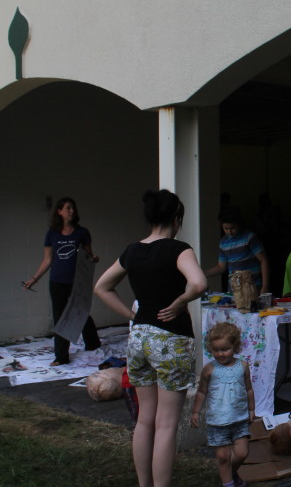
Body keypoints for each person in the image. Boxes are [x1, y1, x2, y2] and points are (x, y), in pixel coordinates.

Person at [94, 189, 207, 487]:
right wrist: (182, 301)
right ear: (176, 219)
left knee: (145, 419)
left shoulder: (132, 251)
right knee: (167, 423)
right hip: (171, 339)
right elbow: (198, 283)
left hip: (139, 337)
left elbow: (101, 287)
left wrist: (131, 316)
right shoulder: (179, 249)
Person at [22, 197, 101, 366]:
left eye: (73, 208)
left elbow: (89, 255)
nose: (71, 211)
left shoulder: (82, 232)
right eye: (67, 208)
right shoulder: (52, 234)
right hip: (57, 281)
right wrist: (34, 279)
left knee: (80, 312)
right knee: (60, 318)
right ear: (59, 211)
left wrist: (94, 259)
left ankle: (93, 342)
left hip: (77, 281)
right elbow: (47, 260)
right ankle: (61, 357)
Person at [191, 322, 255, 487]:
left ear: (235, 346)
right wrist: (196, 412)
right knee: (223, 457)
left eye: (225, 349)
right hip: (217, 422)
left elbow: (248, 389)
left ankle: (231, 474)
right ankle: (228, 483)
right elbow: (201, 392)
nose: (220, 354)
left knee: (242, 453)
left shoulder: (242, 366)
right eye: (216, 350)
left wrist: (252, 409)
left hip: (239, 419)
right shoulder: (209, 369)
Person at [205, 206, 270, 294]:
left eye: (232, 228)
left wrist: (265, 286)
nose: (229, 232)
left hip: (253, 285)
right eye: (226, 229)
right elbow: (221, 267)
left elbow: (264, 260)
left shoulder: (249, 237)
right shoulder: (223, 243)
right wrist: (204, 274)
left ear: (239, 224)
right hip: (234, 288)